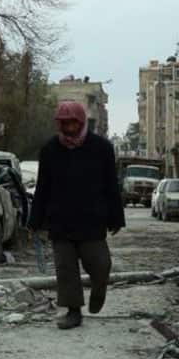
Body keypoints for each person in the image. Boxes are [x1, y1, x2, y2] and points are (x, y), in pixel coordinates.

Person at [27, 101, 125, 329]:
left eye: (72, 122)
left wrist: (116, 218)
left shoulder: (101, 148)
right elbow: (43, 187)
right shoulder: (50, 149)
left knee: (101, 265)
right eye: (64, 123)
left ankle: (99, 290)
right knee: (66, 269)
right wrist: (35, 220)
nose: (68, 127)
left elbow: (111, 185)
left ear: (80, 122)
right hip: (60, 222)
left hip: (92, 221)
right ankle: (73, 312)